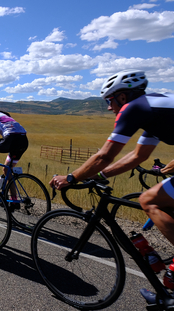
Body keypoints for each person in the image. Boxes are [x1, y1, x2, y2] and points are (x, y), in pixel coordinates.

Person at [48, 69, 174, 302]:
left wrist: (71, 178)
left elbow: (105, 155)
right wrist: (99, 176)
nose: (109, 107)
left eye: (109, 100)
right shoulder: (154, 107)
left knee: (148, 200)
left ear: (122, 97)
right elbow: (137, 156)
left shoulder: (133, 108)